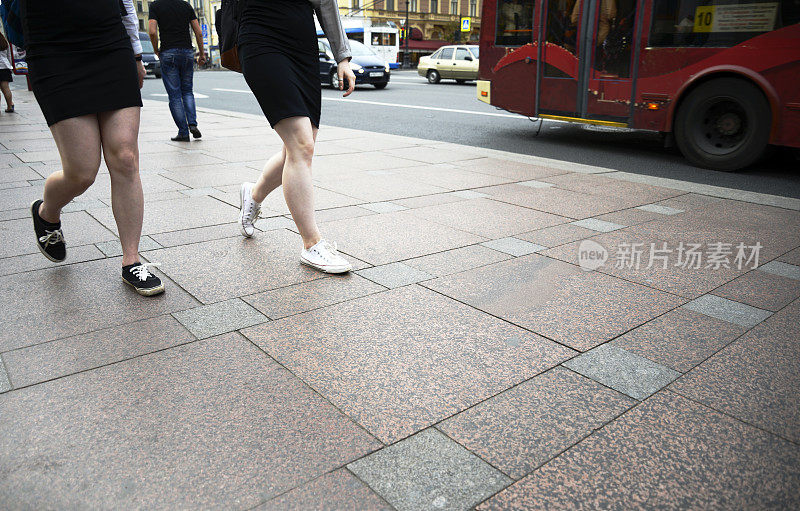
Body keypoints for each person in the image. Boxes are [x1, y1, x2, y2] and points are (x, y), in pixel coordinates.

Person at [23, 0, 164, 296]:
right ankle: (48, 213)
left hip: (110, 43)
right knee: (82, 172)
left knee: (125, 157)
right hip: (53, 48)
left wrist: (137, 54)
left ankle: (132, 261)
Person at [236, 0, 357, 274]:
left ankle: (252, 195)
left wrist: (342, 58)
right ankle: (311, 244)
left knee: (299, 148)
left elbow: (325, 2)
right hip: (261, 35)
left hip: (302, 47)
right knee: (301, 145)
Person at [148, 0, 206, 142]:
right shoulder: (185, 5)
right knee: (187, 91)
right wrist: (202, 54)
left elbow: (152, 32)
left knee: (174, 95)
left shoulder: (156, 6)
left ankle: (183, 132)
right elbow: (198, 32)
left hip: (168, 52)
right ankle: (192, 123)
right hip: (187, 52)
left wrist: (156, 50)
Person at [0, 32, 13, 113]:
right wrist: (10, 67)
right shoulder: (4, 41)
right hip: (5, 67)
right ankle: (9, 106)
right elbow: (9, 56)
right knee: (6, 88)